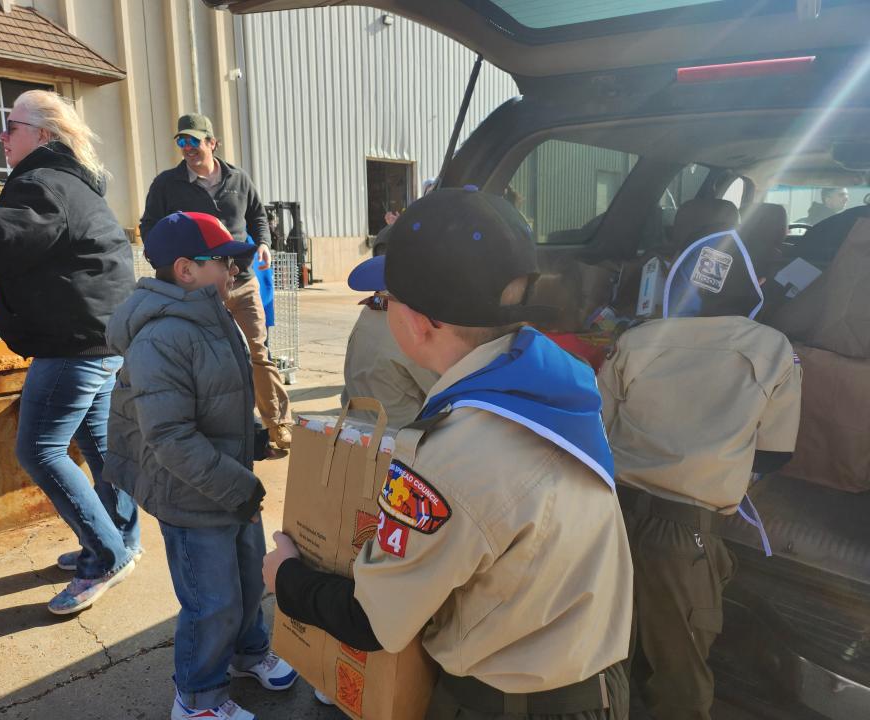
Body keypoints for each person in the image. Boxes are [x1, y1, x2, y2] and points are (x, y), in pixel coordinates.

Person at [264, 186, 633, 720]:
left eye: (387, 301)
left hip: (515, 706)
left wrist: (286, 578)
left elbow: (375, 622)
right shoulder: (561, 385)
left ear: (420, 321)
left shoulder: (452, 457)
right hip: (595, 686)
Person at [0, 90, 139, 615]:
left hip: (72, 345)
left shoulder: (41, 185)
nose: (1, 137)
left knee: (38, 450)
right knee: (101, 448)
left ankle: (105, 556)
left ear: (43, 135)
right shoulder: (69, 184)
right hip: (100, 340)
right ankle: (120, 540)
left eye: (10, 127)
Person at [598, 230, 803, 720]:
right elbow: (775, 454)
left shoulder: (634, 340)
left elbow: (597, 428)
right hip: (687, 536)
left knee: (601, 657)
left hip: (611, 520)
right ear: (753, 288)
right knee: (680, 678)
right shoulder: (774, 350)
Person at [104, 211, 297, 720]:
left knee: (250, 580)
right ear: (186, 270)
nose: (235, 271)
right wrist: (237, 484)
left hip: (229, 483)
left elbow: (218, 396)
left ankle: (249, 652)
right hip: (194, 495)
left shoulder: (214, 315)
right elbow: (169, 435)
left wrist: (250, 438)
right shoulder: (162, 336)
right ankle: (199, 698)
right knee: (211, 602)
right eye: (224, 261)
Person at [140, 114, 293, 449]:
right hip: (201, 287)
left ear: (212, 143)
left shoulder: (239, 179)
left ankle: (278, 423)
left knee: (258, 352)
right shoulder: (167, 185)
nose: (188, 148)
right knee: (208, 360)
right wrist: (174, 266)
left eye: (194, 141)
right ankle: (221, 429)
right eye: (182, 142)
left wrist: (264, 243)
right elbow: (149, 228)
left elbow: (258, 217)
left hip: (242, 280)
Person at [341, 291, 439, 428]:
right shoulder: (406, 330)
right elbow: (444, 390)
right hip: (396, 436)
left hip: (356, 427)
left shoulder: (369, 312)